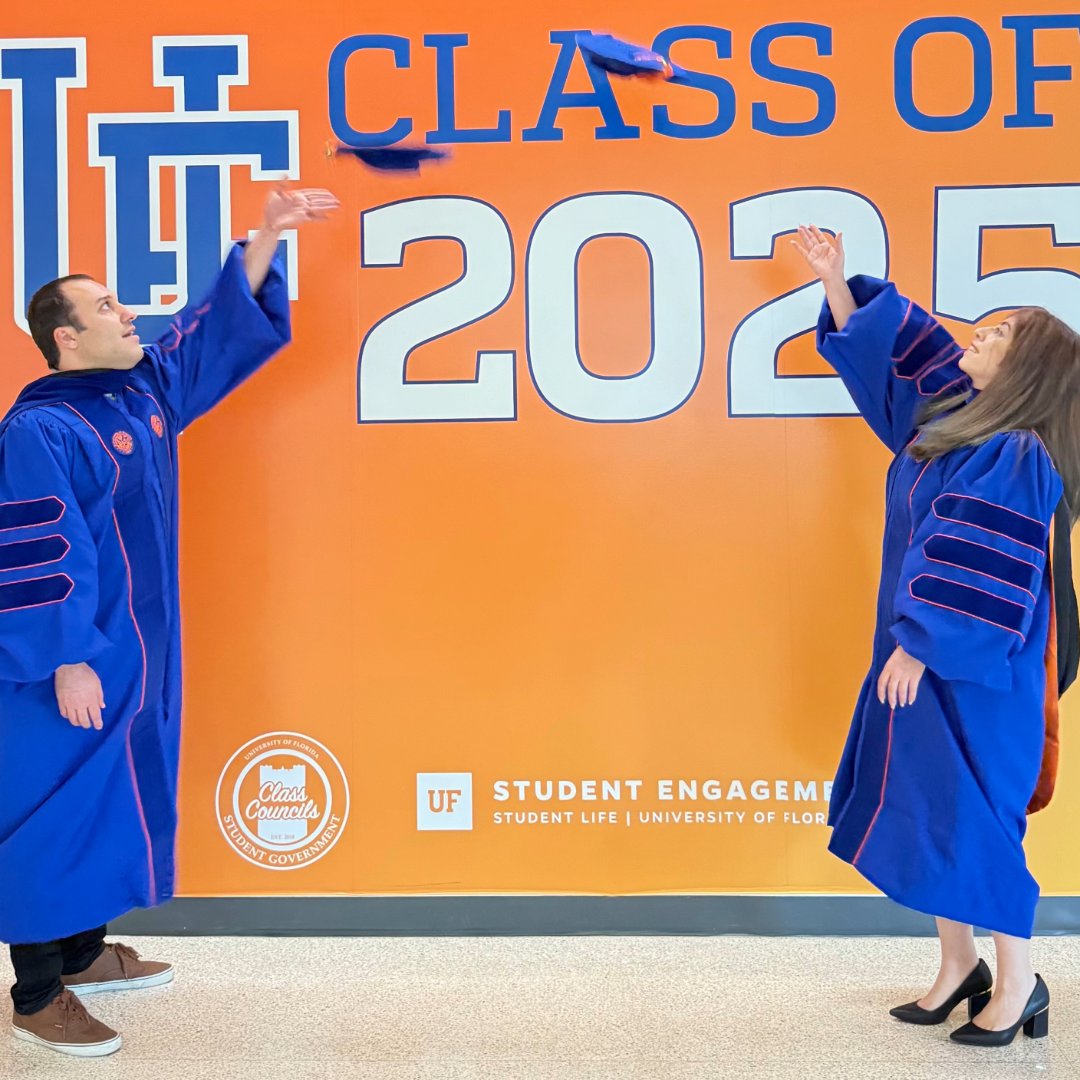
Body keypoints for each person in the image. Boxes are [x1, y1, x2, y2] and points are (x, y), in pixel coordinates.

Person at [0, 185, 340, 1057]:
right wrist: (66, 661)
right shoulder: (41, 428)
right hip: (65, 664)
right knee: (52, 811)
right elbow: (37, 557)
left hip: (137, 652)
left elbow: (208, 330)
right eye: (105, 305)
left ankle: (78, 955)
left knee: (107, 801)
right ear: (64, 336)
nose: (127, 312)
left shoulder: (138, 393)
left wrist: (266, 235)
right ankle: (36, 996)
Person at [793, 224, 1080, 1047]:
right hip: (919, 655)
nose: (977, 336)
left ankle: (1020, 983)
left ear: (1027, 371)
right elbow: (896, 373)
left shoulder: (1018, 451)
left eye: (998, 336)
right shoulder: (949, 426)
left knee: (981, 816)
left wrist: (921, 644)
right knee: (932, 807)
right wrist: (839, 284)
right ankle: (960, 968)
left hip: (970, 669)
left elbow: (979, 561)